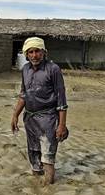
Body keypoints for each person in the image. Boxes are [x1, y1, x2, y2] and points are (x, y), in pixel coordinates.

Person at [11, 37, 68, 185]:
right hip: (30, 119)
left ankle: (49, 189)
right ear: (26, 54)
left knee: (48, 157)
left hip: (48, 119)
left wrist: (61, 125)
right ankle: (36, 188)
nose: (34, 55)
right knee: (33, 153)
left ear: (44, 52)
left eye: (37, 51)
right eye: (31, 52)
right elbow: (24, 95)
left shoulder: (53, 69)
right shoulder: (25, 70)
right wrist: (15, 115)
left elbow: (61, 100)